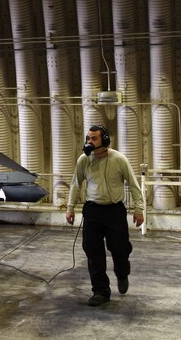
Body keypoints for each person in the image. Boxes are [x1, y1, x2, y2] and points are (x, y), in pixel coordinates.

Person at [65, 125, 144, 307]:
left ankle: (122, 271)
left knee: (119, 248)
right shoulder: (83, 160)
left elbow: (133, 184)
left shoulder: (119, 159)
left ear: (105, 140)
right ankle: (100, 291)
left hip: (114, 210)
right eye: (88, 138)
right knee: (93, 251)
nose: (89, 142)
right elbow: (76, 184)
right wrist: (70, 208)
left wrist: (139, 210)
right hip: (92, 210)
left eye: (94, 139)